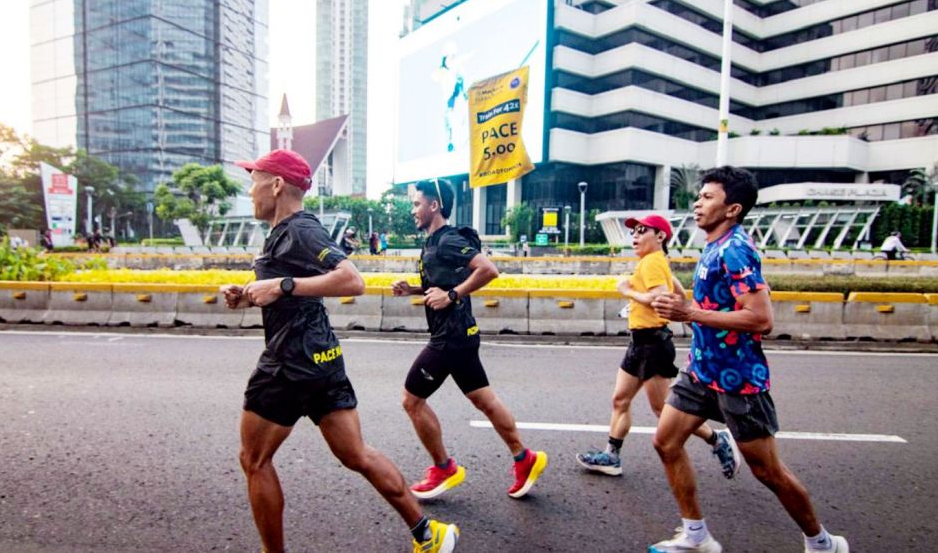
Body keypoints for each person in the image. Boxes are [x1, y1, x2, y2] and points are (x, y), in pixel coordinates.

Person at [222, 150, 459, 553]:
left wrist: (282, 286)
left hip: (289, 362)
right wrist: (248, 296)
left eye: (254, 180)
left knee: (254, 460)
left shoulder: (300, 229)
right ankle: (428, 533)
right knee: (357, 455)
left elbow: (352, 281)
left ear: (276, 185)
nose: (250, 190)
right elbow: (292, 287)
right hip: (322, 358)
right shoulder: (285, 232)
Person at [647, 166, 848, 553]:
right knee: (666, 442)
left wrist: (689, 313)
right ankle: (695, 536)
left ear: (733, 208)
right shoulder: (715, 245)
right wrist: (680, 305)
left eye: (707, 196)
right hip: (703, 371)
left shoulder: (736, 249)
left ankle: (823, 543)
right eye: (700, 195)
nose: (697, 202)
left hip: (738, 377)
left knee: (767, 471)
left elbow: (761, 319)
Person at [392, 178, 548, 501]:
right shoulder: (432, 242)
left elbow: (488, 270)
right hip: (462, 335)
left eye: (417, 204)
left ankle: (444, 467)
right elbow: (442, 282)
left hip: (449, 337)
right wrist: (414, 289)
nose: (413, 210)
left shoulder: (447, 240)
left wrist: (452, 295)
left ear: (434, 205)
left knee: (412, 400)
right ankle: (524, 458)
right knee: (484, 400)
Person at [576, 214, 739, 479]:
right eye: (633, 232)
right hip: (640, 343)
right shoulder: (655, 261)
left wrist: (627, 290)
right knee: (620, 399)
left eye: (642, 231)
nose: (635, 236)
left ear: (660, 236)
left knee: (663, 410)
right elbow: (678, 293)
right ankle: (611, 456)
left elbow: (660, 298)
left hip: (652, 343)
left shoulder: (652, 262)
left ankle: (717, 439)